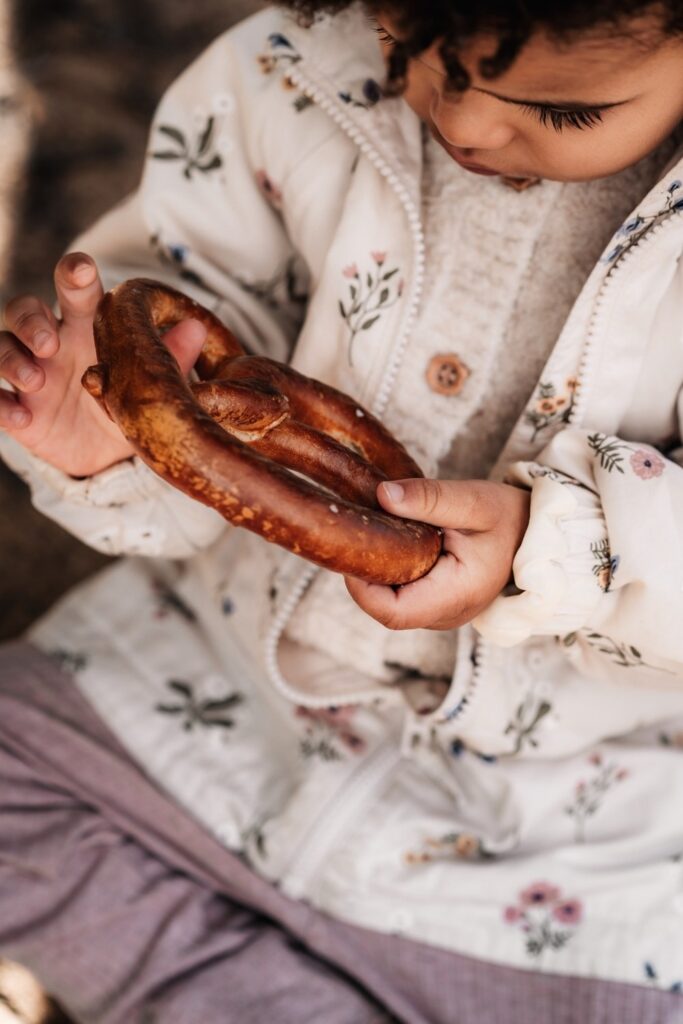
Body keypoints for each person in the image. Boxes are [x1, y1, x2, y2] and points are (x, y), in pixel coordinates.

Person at [1, 2, 683, 1020]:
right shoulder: (287, 78)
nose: (464, 126)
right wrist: (115, 437)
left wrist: (560, 552)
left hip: (568, 844)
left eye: (560, 111)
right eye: (416, 55)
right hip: (222, 704)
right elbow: (192, 329)